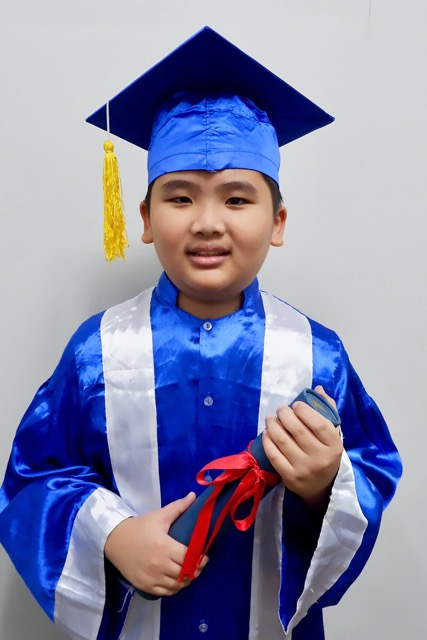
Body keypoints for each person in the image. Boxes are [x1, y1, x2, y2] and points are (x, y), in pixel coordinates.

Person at [0, 26, 402, 640]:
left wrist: (327, 486)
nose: (208, 222)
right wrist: (113, 534)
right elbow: (34, 479)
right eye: (180, 198)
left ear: (278, 222)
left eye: (237, 200)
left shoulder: (315, 355)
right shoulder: (98, 351)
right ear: (144, 218)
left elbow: (370, 473)